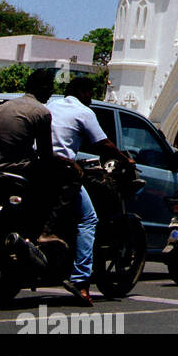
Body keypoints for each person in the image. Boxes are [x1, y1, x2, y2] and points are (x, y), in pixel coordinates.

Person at [48, 76, 125, 305]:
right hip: (61, 171)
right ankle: (80, 280)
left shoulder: (50, 106)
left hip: (38, 166)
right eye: (90, 93)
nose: (91, 98)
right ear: (82, 92)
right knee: (88, 219)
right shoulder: (83, 111)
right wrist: (125, 160)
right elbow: (103, 143)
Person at [0, 69, 65, 253]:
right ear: (42, 88)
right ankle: (46, 231)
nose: (51, 92)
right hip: (21, 170)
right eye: (50, 87)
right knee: (58, 185)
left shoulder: (3, 107)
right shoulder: (42, 112)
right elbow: (46, 154)